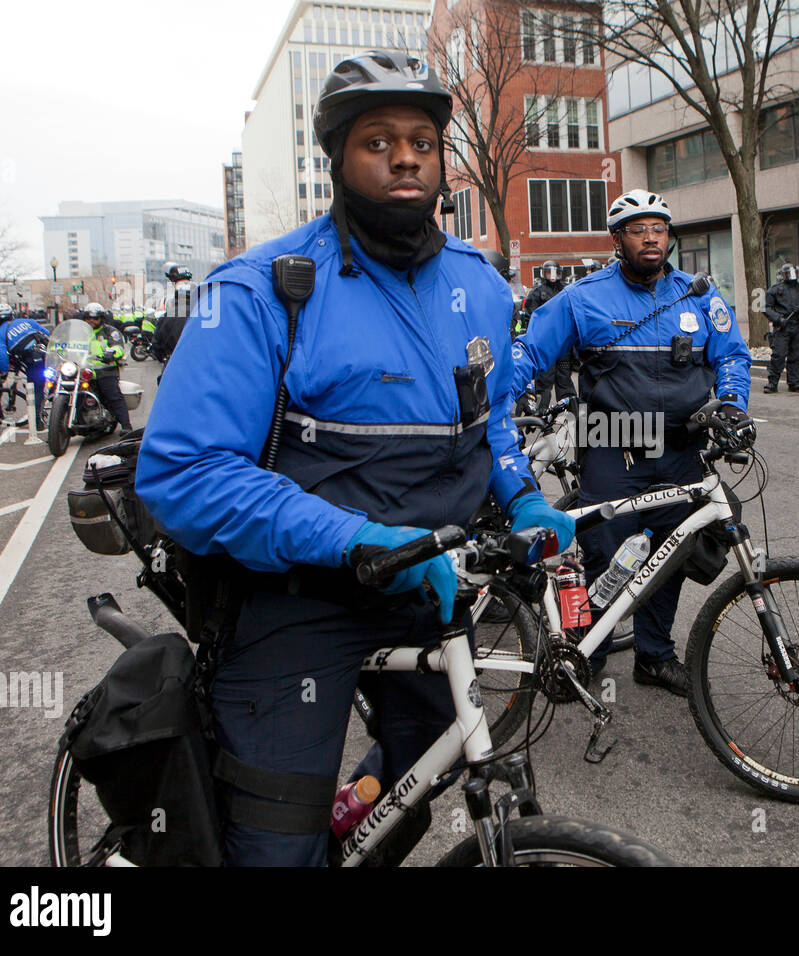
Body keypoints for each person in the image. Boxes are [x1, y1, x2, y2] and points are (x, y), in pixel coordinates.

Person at [136, 50, 573, 867]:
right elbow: (183, 472)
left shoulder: (479, 285)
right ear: (335, 159)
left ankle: (349, 835)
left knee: (431, 764)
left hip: (425, 588)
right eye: (377, 140)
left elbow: (494, 415)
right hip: (292, 600)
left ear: (443, 160)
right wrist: (357, 541)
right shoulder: (259, 291)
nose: (405, 155)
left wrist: (521, 497)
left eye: (421, 140)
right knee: (273, 849)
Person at [511, 187, 753, 694]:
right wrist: (493, 403)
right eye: (639, 229)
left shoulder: (699, 294)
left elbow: (732, 355)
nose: (651, 237)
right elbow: (529, 354)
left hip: (682, 450)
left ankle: (654, 656)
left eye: (659, 228)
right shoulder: (583, 297)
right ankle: (588, 655)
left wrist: (731, 403)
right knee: (606, 556)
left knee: (669, 558)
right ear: (617, 239)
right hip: (613, 445)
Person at [522, 261, 575, 410]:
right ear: (543, 273)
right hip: (546, 344)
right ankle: (539, 412)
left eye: (555, 272)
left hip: (564, 343)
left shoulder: (567, 291)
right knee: (544, 381)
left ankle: (570, 411)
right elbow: (530, 317)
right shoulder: (537, 293)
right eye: (548, 272)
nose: (552, 276)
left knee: (564, 379)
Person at [763, 263, 799, 393]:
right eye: (788, 274)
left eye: (793, 273)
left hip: (798, 326)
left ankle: (794, 382)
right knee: (778, 355)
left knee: (795, 356)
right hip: (783, 327)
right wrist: (778, 319)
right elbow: (766, 308)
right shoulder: (775, 290)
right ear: (783, 275)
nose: (791, 276)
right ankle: (772, 382)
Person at [0, 309, 50, 428]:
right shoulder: (27, 321)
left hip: (30, 360)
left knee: (35, 389)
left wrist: (4, 371)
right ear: (12, 316)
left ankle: (37, 421)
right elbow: (46, 333)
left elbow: (1, 355)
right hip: (44, 354)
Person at [81, 302, 133, 432]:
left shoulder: (110, 331)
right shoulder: (81, 332)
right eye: (88, 318)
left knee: (113, 396)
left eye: (95, 318)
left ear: (101, 318)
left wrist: (112, 353)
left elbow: (118, 346)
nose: (91, 321)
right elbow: (68, 344)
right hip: (84, 371)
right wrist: (58, 352)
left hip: (105, 370)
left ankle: (126, 425)